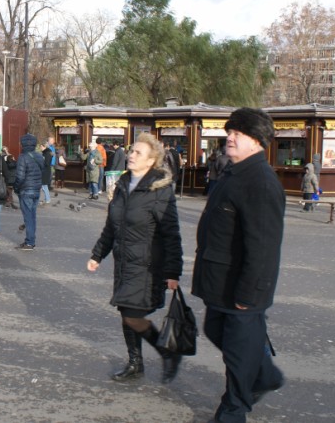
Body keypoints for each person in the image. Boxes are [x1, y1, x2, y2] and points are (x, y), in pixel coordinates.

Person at [192, 108, 285, 423]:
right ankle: (264, 373)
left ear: (257, 141)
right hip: (220, 280)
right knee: (216, 331)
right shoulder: (234, 172)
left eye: (238, 133)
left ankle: (233, 410)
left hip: (241, 287)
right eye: (229, 131)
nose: (229, 137)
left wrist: (251, 293)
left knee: (238, 351)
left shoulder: (260, 180)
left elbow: (264, 247)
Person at [87, 132, 183, 384]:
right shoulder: (122, 184)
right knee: (126, 312)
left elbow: (171, 233)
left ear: (152, 160)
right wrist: (98, 254)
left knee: (130, 313)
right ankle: (136, 362)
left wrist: (173, 272)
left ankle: (164, 352)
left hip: (147, 265)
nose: (131, 155)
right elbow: (112, 226)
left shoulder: (159, 190)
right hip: (124, 261)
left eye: (138, 152)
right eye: (131, 151)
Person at [13, 133, 44, 250]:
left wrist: (16, 187)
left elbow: (20, 177)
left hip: (26, 190)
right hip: (36, 189)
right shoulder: (39, 156)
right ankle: (31, 240)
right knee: (32, 216)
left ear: (24, 144)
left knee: (28, 217)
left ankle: (30, 242)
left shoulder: (23, 157)